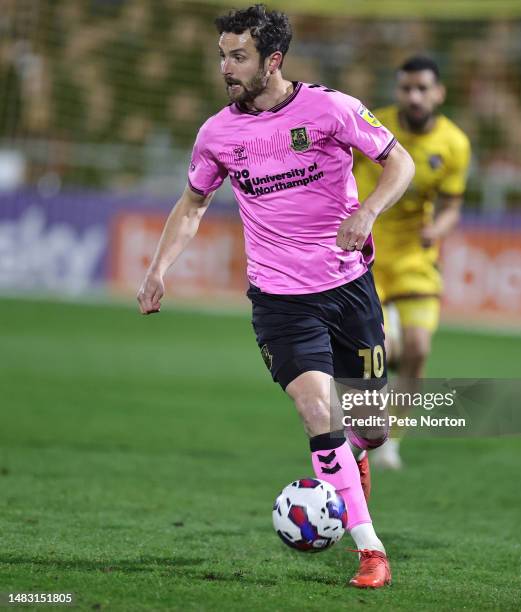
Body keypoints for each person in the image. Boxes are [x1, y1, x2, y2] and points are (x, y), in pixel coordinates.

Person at [137, 4, 414, 588]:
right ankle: (371, 552)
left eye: (238, 56)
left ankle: (357, 457)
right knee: (317, 410)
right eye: (222, 56)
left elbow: (399, 162)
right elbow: (192, 204)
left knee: (373, 426)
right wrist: (158, 267)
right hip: (280, 300)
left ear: (274, 60)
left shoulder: (330, 109)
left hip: (349, 289)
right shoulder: (217, 134)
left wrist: (367, 210)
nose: (226, 68)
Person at [353, 56, 471, 469]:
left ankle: (392, 441)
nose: (414, 96)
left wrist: (438, 230)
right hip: (366, 253)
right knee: (381, 349)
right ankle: (365, 429)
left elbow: (453, 205)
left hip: (414, 258)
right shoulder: (373, 125)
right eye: (406, 88)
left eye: (423, 88)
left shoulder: (454, 143)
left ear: (439, 93)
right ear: (397, 90)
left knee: (418, 349)